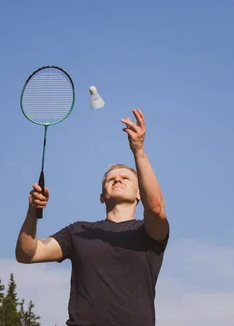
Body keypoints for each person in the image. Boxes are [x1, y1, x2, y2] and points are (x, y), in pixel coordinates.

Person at [15, 108, 169, 326]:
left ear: (139, 194)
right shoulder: (79, 232)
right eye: (110, 179)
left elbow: (155, 207)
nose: (117, 180)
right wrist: (32, 212)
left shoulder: (148, 233)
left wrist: (139, 150)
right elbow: (27, 254)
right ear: (101, 196)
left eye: (125, 178)